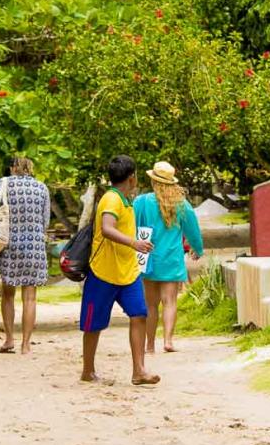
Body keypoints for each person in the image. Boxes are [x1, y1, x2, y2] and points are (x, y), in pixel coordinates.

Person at [80, 155, 160, 385]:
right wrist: (134, 243)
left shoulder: (125, 200)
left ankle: (139, 371)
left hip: (128, 273)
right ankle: (88, 370)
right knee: (93, 324)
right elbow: (107, 228)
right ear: (132, 178)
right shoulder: (111, 199)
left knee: (139, 314)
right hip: (104, 272)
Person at [134, 162, 204, 353]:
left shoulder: (141, 202)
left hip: (148, 257)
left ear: (153, 180)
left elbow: (133, 226)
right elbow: (193, 230)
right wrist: (197, 248)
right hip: (172, 258)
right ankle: (168, 341)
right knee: (170, 301)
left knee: (150, 304)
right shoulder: (182, 204)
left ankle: (149, 345)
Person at [0, 156, 51, 355]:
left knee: (8, 294)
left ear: (13, 168)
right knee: (30, 298)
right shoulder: (42, 188)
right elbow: (45, 221)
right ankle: (26, 344)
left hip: (8, 246)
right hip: (34, 248)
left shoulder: (3, 184)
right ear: (30, 168)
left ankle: (9, 340)